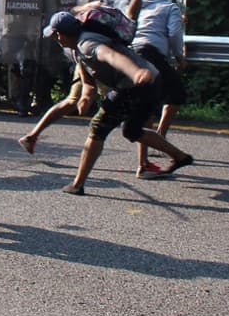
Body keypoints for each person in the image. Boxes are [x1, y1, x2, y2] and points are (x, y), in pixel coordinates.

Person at [41, 10, 193, 195]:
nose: (55, 39)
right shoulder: (75, 49)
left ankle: (77, 184)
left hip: (136, 83)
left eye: (55, 35)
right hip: (150, 81)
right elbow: (88, 78)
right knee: (131, 131)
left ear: (60, 34)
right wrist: (86, 97)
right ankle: (179, 156)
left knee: (98, 127)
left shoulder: (87, 44)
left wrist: (135, 72)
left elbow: (111, 56)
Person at [18, 0, 148, 162]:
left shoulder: (101, 0)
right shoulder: (121, 1)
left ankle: (32, 136)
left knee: (76, 100)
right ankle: (144, 162)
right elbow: (131, 15)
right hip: (100, 59)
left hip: (86, 55)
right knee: (131, 112)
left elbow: (73, 13)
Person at [132, 0, 188, 173]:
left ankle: (151, 151)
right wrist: (179, 57)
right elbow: (174, 34)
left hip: (130, 54)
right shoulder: (169, 7)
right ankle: (149, 154)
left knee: (145, 106)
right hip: (151, 54)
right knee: (176, 94)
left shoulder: (135, 4)